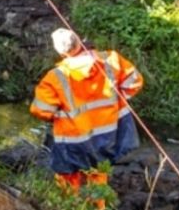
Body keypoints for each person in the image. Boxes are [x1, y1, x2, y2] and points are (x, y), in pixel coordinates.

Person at [30, 28, 143, 206]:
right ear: (79, 40)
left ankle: (69, 206)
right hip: (107, 135)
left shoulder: (56, 77)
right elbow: (135, 82)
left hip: (72, 140)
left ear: (61, 52)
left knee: (67, 177)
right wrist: (116, 102)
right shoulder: (111, 60)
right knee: (98, 176)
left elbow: (40, 110)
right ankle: (98, 207)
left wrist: (59, 115)